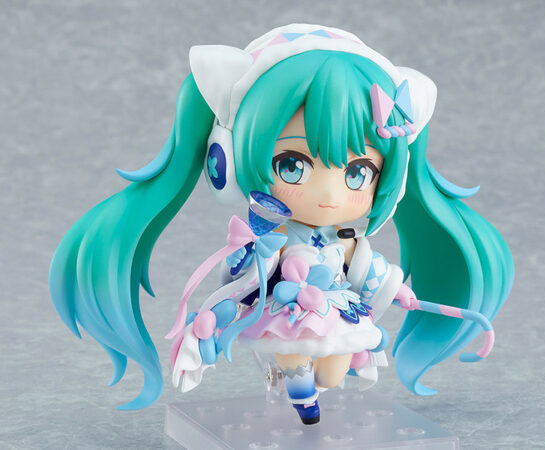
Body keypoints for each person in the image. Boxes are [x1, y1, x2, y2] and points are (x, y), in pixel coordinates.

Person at [49, 25, 514, 425]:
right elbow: (240, 275)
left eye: (358, 173)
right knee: (294, 358)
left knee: (334, 367)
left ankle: (313, 387)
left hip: (337, 309)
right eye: (293, 165)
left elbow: (367, 270)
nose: (330, 195)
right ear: (227, 163)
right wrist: (246, 266)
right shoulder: (271, 233)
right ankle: (300, 394)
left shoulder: (347, 240)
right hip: (285, 309)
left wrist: (399, 292)